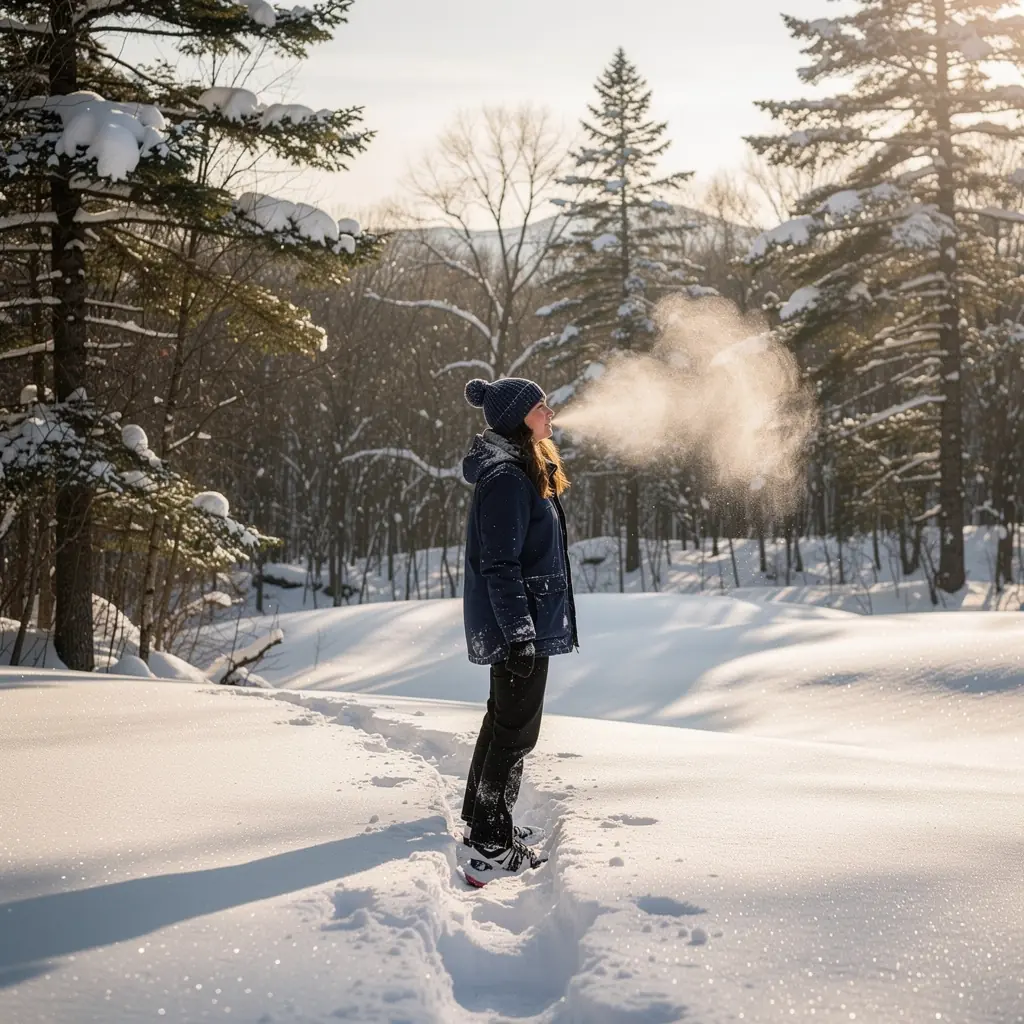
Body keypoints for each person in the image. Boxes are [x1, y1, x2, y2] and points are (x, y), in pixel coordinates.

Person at [457, 376, 578, 887]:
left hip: (519, 621)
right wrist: (521, 633)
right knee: (516, 734)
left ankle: (482, 822)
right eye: (539, 407)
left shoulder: (519, 469)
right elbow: (500, 565)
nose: (549, 414)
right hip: (516, 625)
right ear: (516, 419)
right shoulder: (506, 479)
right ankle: (489, 846)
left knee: (503, 722)